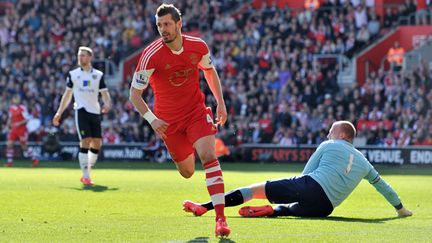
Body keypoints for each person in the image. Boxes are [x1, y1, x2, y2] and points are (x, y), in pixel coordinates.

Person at [129, 3, 230, 237]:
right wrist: (152, 120)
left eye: (167, 24)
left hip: (196, 112)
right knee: (187, 172)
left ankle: (220, 219)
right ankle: (190, 147)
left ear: (178, 24)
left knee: (208, 155)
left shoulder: (198, 46)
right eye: (159, 25)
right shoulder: (150, 55)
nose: (162, 29)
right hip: (168, 123)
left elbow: (209, 71)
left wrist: (221, 103)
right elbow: (134, 94)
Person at [183, 121, 413, 219]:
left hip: (310, 186)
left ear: (342, 135)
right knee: (291, 209)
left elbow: (306, 173)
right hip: (326, 208)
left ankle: (205, 207)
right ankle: (273, 210)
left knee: (253, 190)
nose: (327, 135)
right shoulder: (365, 162)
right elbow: (383, 186)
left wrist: (295, 187)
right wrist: (400, 209)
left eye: (331, 131)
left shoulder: (329, 145)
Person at [53, 46, 111, 186]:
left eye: (83, 55)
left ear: (90, 57)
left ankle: (87, 170)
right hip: (81, 110)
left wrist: (107, 104)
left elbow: (105, 94)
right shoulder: (73, 75)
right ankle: (85, 175)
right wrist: (59, 112)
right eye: (79, 55)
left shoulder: (98, 75)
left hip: (95, 111)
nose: (80, 58)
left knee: (97, 143)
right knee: (85, 141)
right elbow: (67, 95)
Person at [4, 95, 39, 167]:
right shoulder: (11, 108)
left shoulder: (23, 108)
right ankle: (9, 162)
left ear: (19, 100)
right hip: (14, 129)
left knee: (24, 146)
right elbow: (10, 118)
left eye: (17, 99)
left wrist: (19, 123)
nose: (16, 100)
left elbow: (27, 119)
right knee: (9, 144)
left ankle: (34, 159)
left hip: (22, 129)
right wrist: (7, 126)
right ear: (13, 100)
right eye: (15, 99)